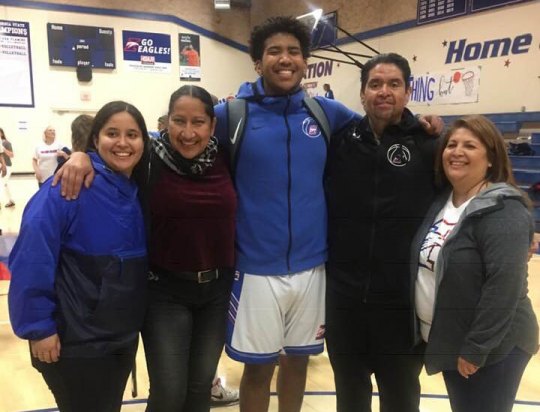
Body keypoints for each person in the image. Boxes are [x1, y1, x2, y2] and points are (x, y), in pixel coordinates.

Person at [52, 85, 237, 412]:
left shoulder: (227, 157)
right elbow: (112, 155)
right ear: (167, 122)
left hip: (216, 291)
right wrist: (81, 155)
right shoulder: (148, 158)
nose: (188, 132)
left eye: (198, 122)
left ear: (212, 125)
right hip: (165, 292)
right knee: (169, 391)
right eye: (179, 121)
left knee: (199, 390)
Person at [8, 101, 149, 412]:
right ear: (95, 140)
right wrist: (39, 327)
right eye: (112, 133)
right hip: (76, 342)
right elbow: (32, 258)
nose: (123, 143)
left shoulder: (137, 187)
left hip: (119, 336)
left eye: (132, 134)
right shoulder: (67, 187)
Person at [324, 52, 439, 412]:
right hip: (345, 301)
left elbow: (470, 191)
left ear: (407, 93)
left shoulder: (429, 144)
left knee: (402, 400)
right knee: (350, 398)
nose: (384, 92)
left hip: (400, 304)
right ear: (362, 94)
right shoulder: (340, 142)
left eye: (394, 84)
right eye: (375, 84)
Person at [411, 115, 539, 412]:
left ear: (491, 158)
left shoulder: (503, 208)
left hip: (494, 347)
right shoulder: (442, 201)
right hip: (452, 340)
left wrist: (477, 348)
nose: (457, 152)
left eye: (470, 145)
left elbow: (503, 287)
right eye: (452, 144)